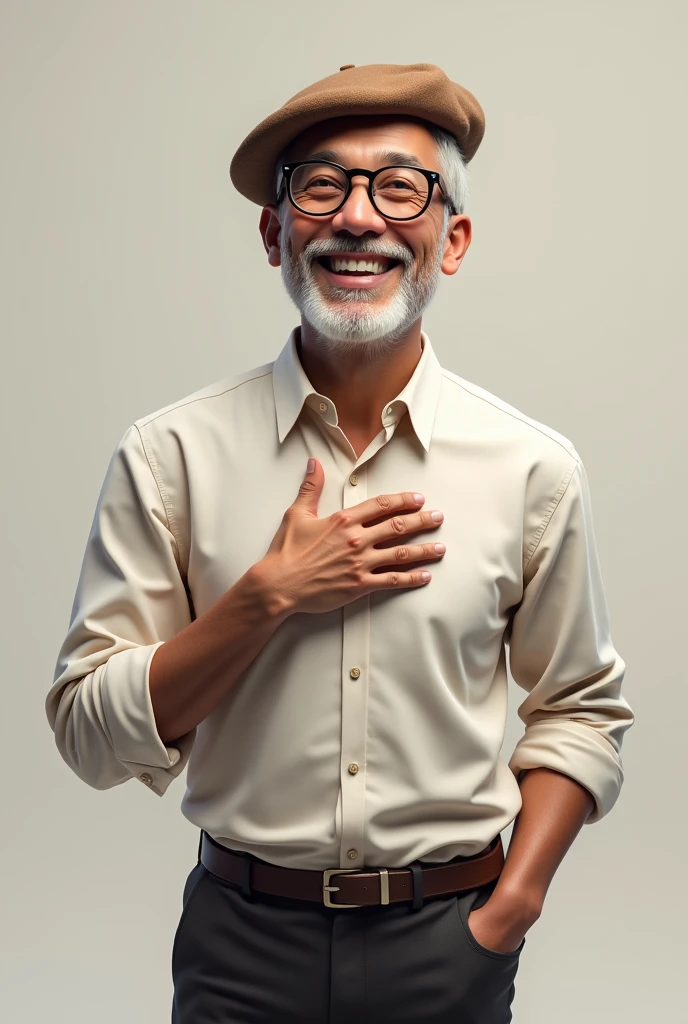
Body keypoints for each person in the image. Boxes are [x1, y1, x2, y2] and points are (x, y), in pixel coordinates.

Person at [46, 62, 635, 1023]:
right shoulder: (170, 456)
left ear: (454, 239)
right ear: (276, 232)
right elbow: (88, 736)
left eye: (400, 187)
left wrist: (512, 904)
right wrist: (266, 597)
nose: (358, 217)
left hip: (447, 940)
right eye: (322, 185)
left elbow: (582, 708)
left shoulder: (533, 468)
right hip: (241, 944)